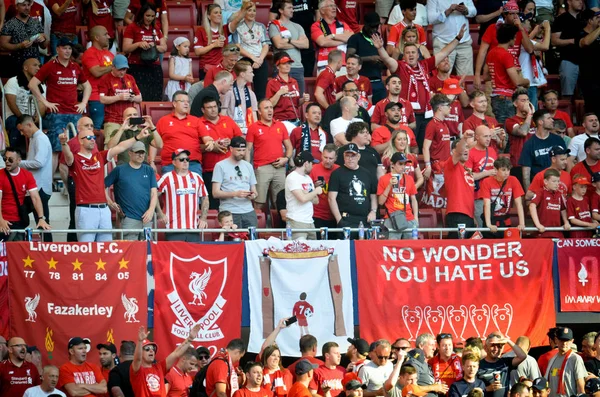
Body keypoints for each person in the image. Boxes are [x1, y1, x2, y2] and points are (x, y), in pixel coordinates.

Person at [373, 26, 466, 149]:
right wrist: (380, 49)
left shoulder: (425, 65)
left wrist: (458, 38)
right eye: (407, 53)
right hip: (410, 116)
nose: (410, 55)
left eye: (413, 52)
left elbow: (444, 53)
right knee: (409, 147)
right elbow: (387, 59)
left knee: (424, 147)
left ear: (418, 55)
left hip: (427, 115)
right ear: (404, 56)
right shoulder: (399, 67)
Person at [61, 117, 150, 242]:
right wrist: (64, 144)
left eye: (94, 138)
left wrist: (138, 137)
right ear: (80, 141)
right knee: (87, 249)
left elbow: (120, 147)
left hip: (103, 209)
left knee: (106, 249)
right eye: (89, 138)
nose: (93, 140)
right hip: (86, 209)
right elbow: (68, 157)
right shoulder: (76, 159)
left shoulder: (99, 156)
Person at [29, 37, 92, 175]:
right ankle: (49, 184)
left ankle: (74, 180)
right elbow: (32, 84)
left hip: (74, 113)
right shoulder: (50, 65)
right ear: (57, 49)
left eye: (69, 48)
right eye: (64, 48)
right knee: (56, 149)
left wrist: (84, 103)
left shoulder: (75, 67)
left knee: (76, 149)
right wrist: (45, 102)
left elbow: (88, 86)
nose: (67, 51)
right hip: (57, 114)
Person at [473, 1, 534, 94]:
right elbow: (482, 52)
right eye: (512, 13)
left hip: (515, 71)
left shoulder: (520, 29)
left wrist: (521, 28)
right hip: (495, 72)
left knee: (519, 103)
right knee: (492, 104)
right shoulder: (492, 28)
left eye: (517, 13)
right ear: (505, 15)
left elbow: (530, 49)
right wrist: (477, 75)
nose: (515, 16)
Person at [104, 141, 158, 240]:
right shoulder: (119, 170)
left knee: (149, 248)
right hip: (129, 218)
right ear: (130, 153)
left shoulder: (149, 170)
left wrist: (151, 210)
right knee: (130, 250)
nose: (141, 155)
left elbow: (154, 193)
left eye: (143, 152)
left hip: (147, 218)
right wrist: (111, 203)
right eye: (137, 152)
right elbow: (101, 187)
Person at [245, 99, 293, 213]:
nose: (270, 110)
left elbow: (289, 147)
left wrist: (285, 159)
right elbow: (248, 149)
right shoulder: (253, 127)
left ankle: (278, 230)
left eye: (271, 107)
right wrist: (247, 168)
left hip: (279, 167)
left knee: (280, 202)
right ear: (259, 112)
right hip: (262, 168)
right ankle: (256, 230)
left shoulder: (280, 125)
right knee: (259, 202)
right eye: (266, 108)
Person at [198, 96, 243, 209]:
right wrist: (211, 146)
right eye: (209, 107)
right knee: (213, 204)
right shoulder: (198, 123)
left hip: (230, 169)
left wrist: (231, 144)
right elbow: (194, 147)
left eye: (215, 106)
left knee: (232, 201)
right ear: (203, 110)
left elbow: (240, 140)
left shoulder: (228, 120)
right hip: (209, 169)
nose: (213, 110)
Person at [154, 90, 214, 175]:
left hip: (192, 163)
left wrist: (210, 142)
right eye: (183, 101)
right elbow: (154, 143)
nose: (186, 104)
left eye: (188, 101)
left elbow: (206, 138)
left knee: (195, 188)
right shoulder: (163, 121)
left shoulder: (196, 121)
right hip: (170, 164)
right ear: (174, 104)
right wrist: (152, 161)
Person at [131, 324, 201, 396]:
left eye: (153, 349)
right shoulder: (137, 370)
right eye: (147, 349)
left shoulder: (159, 367)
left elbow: (176, 353)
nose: (151, 351)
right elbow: (137, 359)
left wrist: (190, 339)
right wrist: (140, 341)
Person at [158, 148, 209, 242]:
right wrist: (160, 213)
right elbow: (154, 195)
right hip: (173, 228)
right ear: (174, 162)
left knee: (193, 256)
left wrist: (203, 217)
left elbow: (205, 197)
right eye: (181, 159)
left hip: (193, 227)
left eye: (187, 159)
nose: (185, 162)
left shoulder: (196, 177)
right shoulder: (167, 178)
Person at [484, 24, 531, 127]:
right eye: (514, 37)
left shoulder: (491, 53)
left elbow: (486, 75)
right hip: (506, 98)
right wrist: (527, 81)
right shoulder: (506, 55)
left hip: (495, 96)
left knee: (502, 128)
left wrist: (499, 74)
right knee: (509, 129)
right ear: (510, 38)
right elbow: (517, 81)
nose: (515, 39)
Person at [0, 148, 51, 241]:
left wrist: (41, 218)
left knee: (18, 252)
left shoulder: (27, 175)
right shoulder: (0, 175)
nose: (7, 162)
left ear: (19, 161)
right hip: (3, 220)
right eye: (5, 159)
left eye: (10, 159)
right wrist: (1, 220)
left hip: (18, 220)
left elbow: (35, 198)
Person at [17, 115, 53, 240]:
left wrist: (19, 163)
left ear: (29, 125)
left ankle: (48, 251)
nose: (22, 133)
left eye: (22, 130)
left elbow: (39, 163)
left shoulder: (40, 139)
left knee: (42, 223)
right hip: (36, 187)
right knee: (34, 220)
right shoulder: (34, 138)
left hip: (40, 188)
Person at [328, 143, 378, 234]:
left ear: (358, 156)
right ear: (344, 156)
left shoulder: (367, 173)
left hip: (365, 219)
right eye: (347, 156)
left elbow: (373, 195)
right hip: (346, 219)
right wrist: (339, 220)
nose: (350, 159)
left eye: (353, 156)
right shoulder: (337, 173)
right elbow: (331, 198)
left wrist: (373, 211)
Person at [122, 4, 167, 101]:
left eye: (152, 16)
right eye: (147, 15)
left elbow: (164, 47)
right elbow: (125, 48)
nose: (150, 18)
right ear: (142, 14)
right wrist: (138, 44)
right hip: (137, 67)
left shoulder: (156, 28)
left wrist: (153, 46)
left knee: (155, 97)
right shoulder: (132, 27)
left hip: (154, 67)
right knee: (140, 97)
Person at [212, 136, 259, 228]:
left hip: (248, 210)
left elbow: (254, 191)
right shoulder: (220, 166)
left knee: (253, 240)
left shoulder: (248, 166)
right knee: (233, 241)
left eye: (243, 150)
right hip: (229, 212)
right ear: (231, 149)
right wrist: (235, 193)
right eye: (238, 150)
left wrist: (253, 195)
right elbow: (215, 193)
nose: (241, 153)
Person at [3, 58, 46, 154]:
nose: (38, 68)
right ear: (25, 67)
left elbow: (43, 104)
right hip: (15, 116)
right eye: (35, 65)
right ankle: (11, 154)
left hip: (33, 118)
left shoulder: (41, 84)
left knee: (52, 123)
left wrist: (36, 118)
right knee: (16, 124)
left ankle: (43, 154)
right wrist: (23, 118)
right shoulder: (13, 81)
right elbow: (11, 103)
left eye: (39, 66)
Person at [193, 3, 246, 80]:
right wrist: (214, 45)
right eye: (216, 12)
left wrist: (244, 9)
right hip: (207, 69)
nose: (219, 15)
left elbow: (237, 20)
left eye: (220, 12)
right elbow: (197, 51)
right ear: (208, 16)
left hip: (223, 69)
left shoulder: (224, 29)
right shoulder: (201, 30)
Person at [98, 54, 142, 145]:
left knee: (132, 146)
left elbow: (140, 98)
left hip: (129, 120)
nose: (122, 72)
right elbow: (102, 99)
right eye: (120, 69)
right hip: (113, 119)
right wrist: (119, 97)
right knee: (111, 147)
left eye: (124, 69)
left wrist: (132, 98)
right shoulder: (105, 79)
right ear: (112, 67)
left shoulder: (130, 78)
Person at [230, 2, 270, 101]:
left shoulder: (261, 26)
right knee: (243, 90)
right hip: (244, 59)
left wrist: (260, 59)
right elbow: (238, 47)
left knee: (261, 93)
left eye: (254, 10)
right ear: (243, 12)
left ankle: (258, 114)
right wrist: (253, 58)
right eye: (249, 10)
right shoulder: (238, 27)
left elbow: (266, 45)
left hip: (260, 59)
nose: (252, 13)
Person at [519, 109, 566, 191]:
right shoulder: (529, 144)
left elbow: (567, 162)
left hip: (558, 183)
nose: (552, 120)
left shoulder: (558, 140)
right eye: (549, 118)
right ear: (540, 122)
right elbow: (526, 173)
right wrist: (529, 194)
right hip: (539, 186)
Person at [268, 0, 309, 93]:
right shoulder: (275, 25)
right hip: (281, 67)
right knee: (281, 99)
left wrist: (290, 40)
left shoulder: (298, 26)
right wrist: (298, 44)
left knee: (300, 99)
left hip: (298, 67)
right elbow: (279, 44)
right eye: (289, 8)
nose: (292, 10)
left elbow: (306, 45)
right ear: (281, 10)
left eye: (292, 8)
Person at [480, 157, 526, 238]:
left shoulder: (513, 180)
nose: (506, 173)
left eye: (508, 170)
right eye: (503, 170)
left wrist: (522, 223)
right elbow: (486, 204)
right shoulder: (486, 182)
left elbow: (519, 204)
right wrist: (489, 224)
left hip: (505, 221)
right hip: (491, 218)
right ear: (495, 169)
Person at [346, 12, 386, 104]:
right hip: (361, 82)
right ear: (365, 25)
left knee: (381, 111)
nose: (374, 29)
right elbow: (349, 57)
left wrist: (382, 61)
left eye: (377, 26)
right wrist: (370, 58)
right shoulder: (355, 38)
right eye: (372, 27)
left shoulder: (378, 38)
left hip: (378, 82)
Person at [426, 0, 475, 75]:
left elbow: (474, 12)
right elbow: (431, 19)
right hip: (443, 42)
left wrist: (466, 10)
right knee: (442, 76)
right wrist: (449, 10)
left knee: (466, 78)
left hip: (464, 42)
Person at [377, 152, 418, 239]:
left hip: (409, 218)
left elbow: (413, 199)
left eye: (404, 164)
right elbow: (380, 202)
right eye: (400, 164)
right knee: (392, 249)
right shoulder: (384, 179)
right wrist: (389, 185)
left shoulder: (409, 179)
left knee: (411, 248)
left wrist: (416, 217)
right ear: (392, 164)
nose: (403, 167)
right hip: (392, 218)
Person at [0, 0, 47, 74]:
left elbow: (44, 46)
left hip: (35, 64)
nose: (27, 8)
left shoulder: (36, 22)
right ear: (16, 7)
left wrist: (43, 39)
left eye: (28, 5)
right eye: (23, 5)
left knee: (35, 84)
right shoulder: (10, 24)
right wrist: (19, 46)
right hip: (17, 65)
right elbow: (2, 45)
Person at [81, 26, 114, 130]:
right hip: (96, 97)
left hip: (111, 97)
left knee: (112, 127)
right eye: (105, 34)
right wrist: (114, 67)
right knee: (96, 129)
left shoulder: (109, 54)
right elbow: (96, 72)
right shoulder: (89, 53)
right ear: (97, 38)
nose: (108, 36)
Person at [284, 151, 322, 239]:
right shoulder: (292, 177)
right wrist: (315, 191)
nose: (313, 166)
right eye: (312, 163)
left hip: (310, 222)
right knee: (298, 251)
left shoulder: (308, 178)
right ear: (306, 163)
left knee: (313, 251)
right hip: (296, 221)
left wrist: (307, 194)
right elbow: (302, 199)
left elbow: (316, 201)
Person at [444, 136, 476, 238]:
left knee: (470, 248)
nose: (466, 150)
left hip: (468, 215)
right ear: (454, 151)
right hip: (457, 213)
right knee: (458, 247)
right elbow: (458, 152)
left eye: (468, 148)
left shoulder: (466, 169)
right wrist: (465, 138)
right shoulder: (451, 165)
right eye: (464, 147)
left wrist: (472, 216)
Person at [478, 332, 527, 397]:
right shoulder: (478, 365)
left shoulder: (505, 362)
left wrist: (508, 341)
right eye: (492, 345)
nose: (496, 349)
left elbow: (522, 356)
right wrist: (487, 389)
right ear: (486, 347)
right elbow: (472, 389)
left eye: (499, 346)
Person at [551, 0, 584, 99]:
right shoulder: (561, 19)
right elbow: (554, 41)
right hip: (568, 59)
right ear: (569, 2)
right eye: (577, 0)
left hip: (586, 61)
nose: (581, 2)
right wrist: (572, 41)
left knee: (587, 94)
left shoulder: (585, 18)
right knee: (567, 95)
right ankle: (566, 114)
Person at [311, 0, 353, 74]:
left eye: (334, 6)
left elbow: (352, 38)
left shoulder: (343, 24)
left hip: (343, 65)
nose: (334, 8)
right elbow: (322, 42)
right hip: (325, 65)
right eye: (330, 6)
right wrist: (343, 40)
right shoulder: (316, 25)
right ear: (322, 10)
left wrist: (332, 36)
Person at [267, 54, 310, 125]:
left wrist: (303, 99)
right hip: (280, 120)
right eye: (284, 63)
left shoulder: (294, 81)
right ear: (277, 66)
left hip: (295, 119)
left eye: (289, 63)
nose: (288, 66)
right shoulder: (272, 83)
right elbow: (270, 104)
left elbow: (296, 103)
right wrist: (279, 93)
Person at [423, 94, 457, 180]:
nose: (450, 108)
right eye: (448, 105)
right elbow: (425, 147)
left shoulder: (444, 124)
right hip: (437, 166)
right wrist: (428, 166)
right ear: (440, 107)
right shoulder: (432, 124)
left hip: (446, 164)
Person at [545, 327, 586, 397]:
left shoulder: (575, 359)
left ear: (572, 341)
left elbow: (580, 386)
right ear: (556, 340)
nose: (564, 343)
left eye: (567, 340)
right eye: (561, 340)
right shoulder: (552, 360)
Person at [221, 60, 258, 135]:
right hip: (231, 132)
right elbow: (222, 115)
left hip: (248, 132)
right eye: (251, 72)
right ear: (242, 74)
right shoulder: (228, 91)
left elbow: (254, 117)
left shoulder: (251, 94)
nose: (253, 75)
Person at [308, 144, 339, 231]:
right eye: (325, 157)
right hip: (317, 214)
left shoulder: (339, 170)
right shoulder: (313, 169)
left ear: (336, 158)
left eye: (330, 158)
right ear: (321, 155)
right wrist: (314, 187)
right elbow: (305, 191)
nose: (327, 161)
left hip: (335, 214)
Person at [505, 88, 535, 174]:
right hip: (519, 163)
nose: (527, 103)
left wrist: (533, 116)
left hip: (534, 162)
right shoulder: (510, 121)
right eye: (523, 100)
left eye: (528, 100)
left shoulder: (535, 120)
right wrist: (529, 114)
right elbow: (523, 132)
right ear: (515, 103)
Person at [578, 9, 600, 117]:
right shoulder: (580, 33)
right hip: (589, 79)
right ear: (590, 21)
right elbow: (585, 42)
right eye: (597, 18)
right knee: (592, 109)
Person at [165, 37, 193, 102]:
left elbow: (190, 75)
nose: (187, 49)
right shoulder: (173, 58)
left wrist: (190, 79)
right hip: (175, 85)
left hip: (186, 85)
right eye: (185, 46)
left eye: (188, 47)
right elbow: (171, 75)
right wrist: (184, 78)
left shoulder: (189, 60)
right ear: (177, 47)